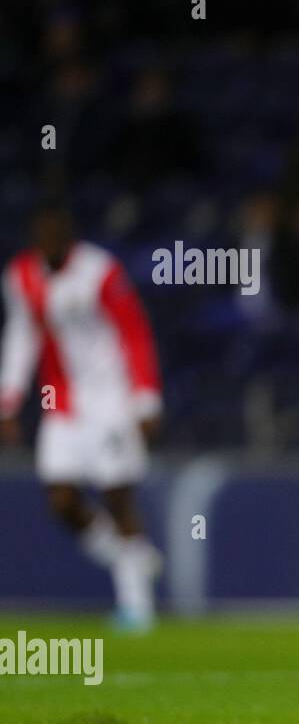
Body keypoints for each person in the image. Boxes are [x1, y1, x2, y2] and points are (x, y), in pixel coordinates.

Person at [0, 202, 164, 631]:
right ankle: (134, 559)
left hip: (111, 400)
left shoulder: (100, 272)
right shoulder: (21, 277)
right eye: (42, 236)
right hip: (61, 403)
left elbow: (134, 333)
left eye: (57, 235)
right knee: (61, 499)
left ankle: (137, 608)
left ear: (69, 236)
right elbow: (21, 337)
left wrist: (146, 399)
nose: (49, 244)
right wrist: (9, 400)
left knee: (117, 496)